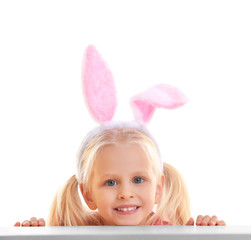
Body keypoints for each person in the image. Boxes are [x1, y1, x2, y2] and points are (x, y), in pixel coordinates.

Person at [14, 45, 226, 226]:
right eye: (111, 183)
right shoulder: (75, 231)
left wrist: (209, 233)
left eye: (138, 179)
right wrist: (34, 234)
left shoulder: (173, 231)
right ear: (88, 194)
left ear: (158, 188)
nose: (126, 193)